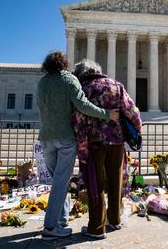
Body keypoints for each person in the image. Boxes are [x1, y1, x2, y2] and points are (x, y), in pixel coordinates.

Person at [37, 52, 119, 240]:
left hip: (46, 137)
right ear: (63, 64)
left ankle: (61, 220)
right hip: (65, 137)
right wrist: (106, 114)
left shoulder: (42, 82)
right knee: (61, 181)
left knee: (58, 181)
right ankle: (50, 227)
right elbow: (82, 105)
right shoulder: (69, 79)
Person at [72, 59, 141, 240]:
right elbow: (133, 112)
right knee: (116, 180)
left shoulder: (82, 89)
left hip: (93, 142)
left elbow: (77, 118)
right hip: (116, 142)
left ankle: (96, 228)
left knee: (96, 183)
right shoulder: (115, 86)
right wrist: (135, 133)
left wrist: (79, 142)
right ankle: (115, 219)